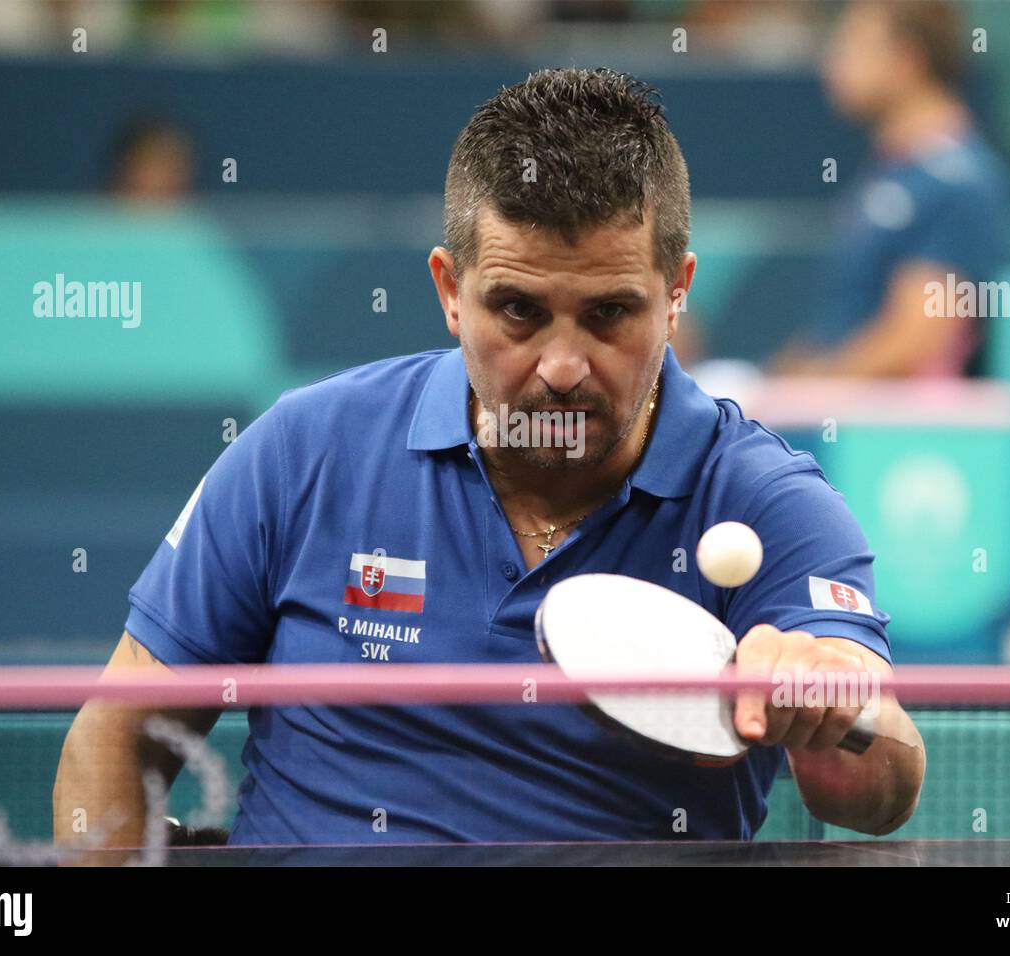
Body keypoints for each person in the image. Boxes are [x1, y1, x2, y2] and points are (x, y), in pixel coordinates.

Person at [54, 68, 923, 849]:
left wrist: (828, 701)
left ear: (676, 295)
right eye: (517, 309)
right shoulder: (301, 450)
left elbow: (879, 784)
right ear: (448, 291)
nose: (562, 367)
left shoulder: (768, 502)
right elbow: (115, 740)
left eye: (611, 313)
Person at [774, 0, 1010, 378]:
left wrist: (807, 384)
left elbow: (914, 343)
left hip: (895, 427)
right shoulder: (888, 171)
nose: (833, 63)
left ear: (906, 60)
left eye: (853, 46)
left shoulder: (960, 184)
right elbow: (845, 321)